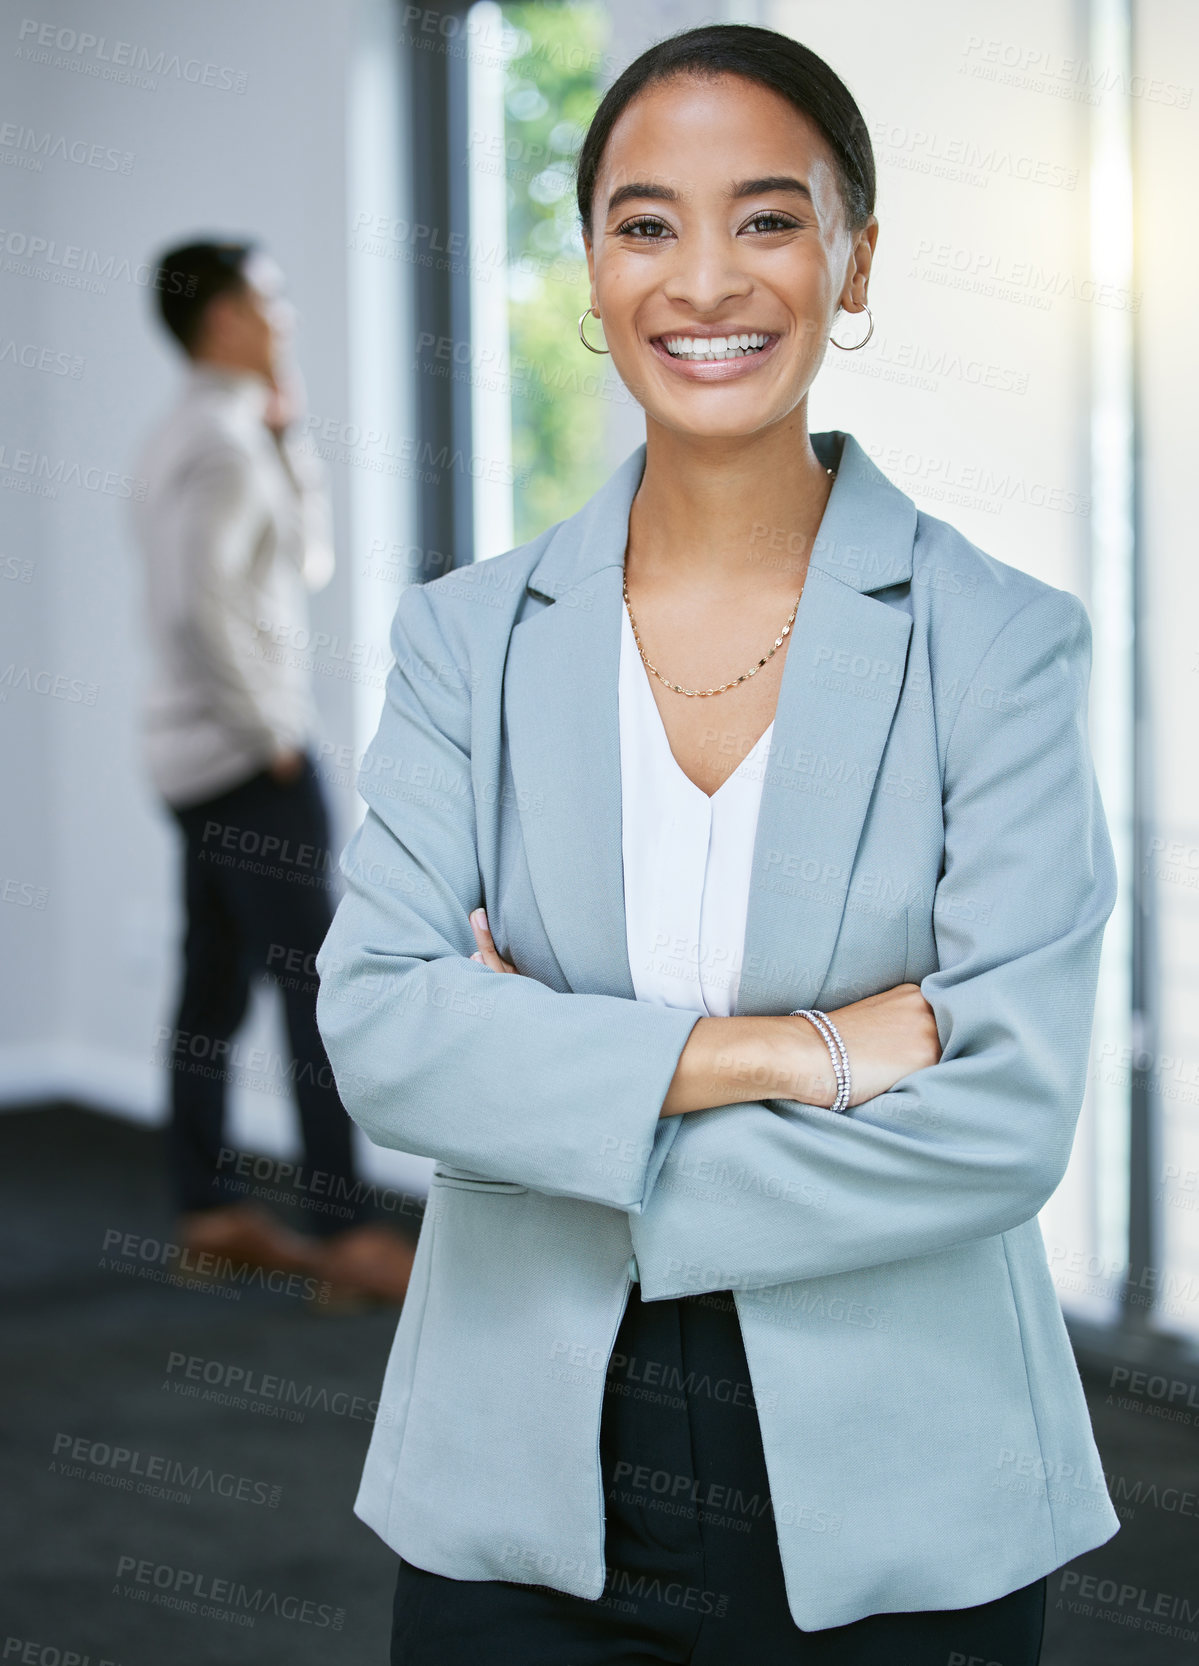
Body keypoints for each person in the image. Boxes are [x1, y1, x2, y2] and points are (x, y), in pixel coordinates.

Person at [315, 24, 1119, 1663]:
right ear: (593, 266)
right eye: (643, 223)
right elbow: (386, 1036)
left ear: (851, 257)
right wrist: (785, 1051)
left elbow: (1003, 1114)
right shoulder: (465, 639)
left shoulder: (996, 642)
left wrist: (545, 1091)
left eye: (764, 218)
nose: (702, 282)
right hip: (510, 1466)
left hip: (905, 1485)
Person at [130, 238, 412, 1305]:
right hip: (246, 760)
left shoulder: (192, 433)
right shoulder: (221, 447)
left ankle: (206, 1211)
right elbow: (198, 608)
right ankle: (344, 1236)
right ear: (226, 316)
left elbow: (295, 562)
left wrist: (292, 442)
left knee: (210, 983)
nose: (283, 314)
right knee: (316, 985)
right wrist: (271, 734)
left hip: (189, 762)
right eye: (269, 297)